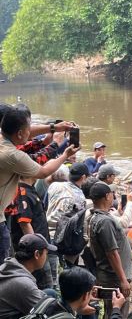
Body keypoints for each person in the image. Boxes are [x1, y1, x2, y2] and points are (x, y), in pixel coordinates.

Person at [0, 107, 79, 265]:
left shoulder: (2, 138)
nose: (30, 132)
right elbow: (43, 172)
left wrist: (54, 127)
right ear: (20, 133)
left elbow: (26, 132)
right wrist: (64, 154)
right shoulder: (12, 155)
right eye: (27, 130)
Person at [87, 182, 132, 319]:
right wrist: (123, 280)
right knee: (117, 311)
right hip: (114, 277)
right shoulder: (104, 221)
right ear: (107, 196)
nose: (114, 196)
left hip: (108, 274)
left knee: (111, 310)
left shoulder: (94, 217)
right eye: (112, 193)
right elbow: (111, 253)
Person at [11, 175, 54, 289]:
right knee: (45, 287)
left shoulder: (30, 189)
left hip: (40, 249)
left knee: (46, 284)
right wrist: (37, 249)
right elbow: (24, 223)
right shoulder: (22, 192)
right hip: (35, 252)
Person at [33, 267, 125, 319]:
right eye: (89, 293)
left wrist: (79, 307)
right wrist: (116, 309)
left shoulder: (46, 300)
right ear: (85, 296)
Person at [0, 233, 56, 319]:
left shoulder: (8, 266)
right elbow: (46, 315)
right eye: (46, 253)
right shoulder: (24, 283)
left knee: (50, 292)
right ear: (37, 254)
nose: (46, 257)